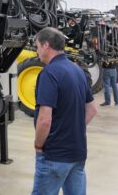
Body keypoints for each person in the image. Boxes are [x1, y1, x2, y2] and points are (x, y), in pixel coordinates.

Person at [32, 27, 97, 195]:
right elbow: (91, 110)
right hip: (78, 151)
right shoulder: (78, 71)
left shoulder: (49, 73)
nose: (37, 51)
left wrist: (38, 145)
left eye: (37, 46)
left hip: (55, 154)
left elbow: (45, 120)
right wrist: (72, 130)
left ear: (46, 45)